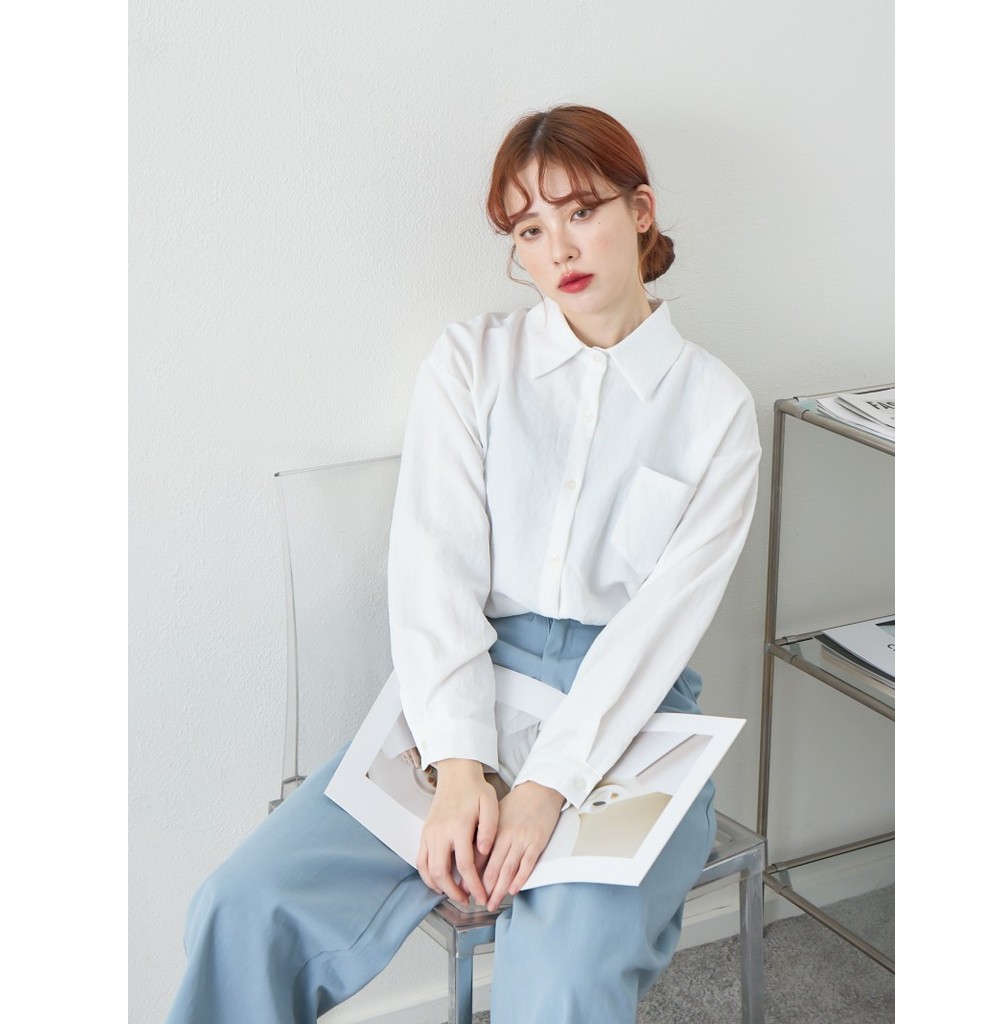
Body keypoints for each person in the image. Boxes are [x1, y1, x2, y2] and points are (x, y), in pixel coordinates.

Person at [166, 104, 761, 1024]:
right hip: (463, 684)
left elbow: (659, 628)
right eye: (529, 229)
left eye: (581, 211)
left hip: (631, 714)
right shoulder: (471, 362)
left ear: (641, 211)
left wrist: (546, 787)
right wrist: (457, 769)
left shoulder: (716, 410)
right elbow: (433, 572)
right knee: (244, 906)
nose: (559, 248)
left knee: (563, 980)